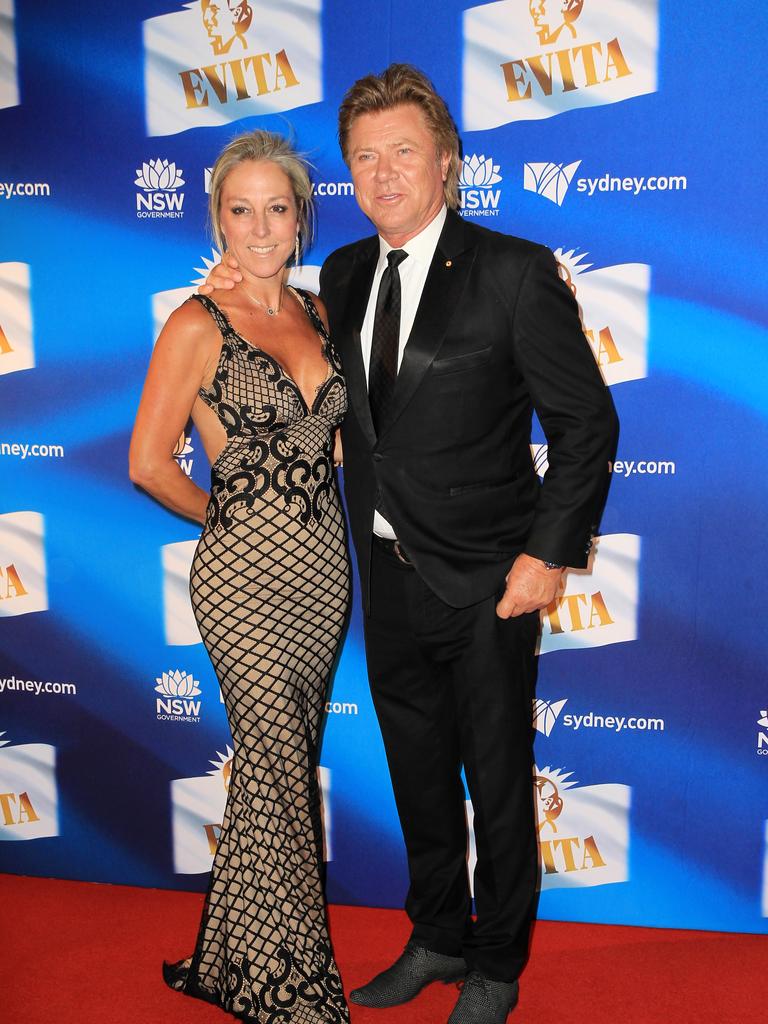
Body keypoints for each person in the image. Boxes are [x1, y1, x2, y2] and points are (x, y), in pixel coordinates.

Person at [204, 64, 618, 1024]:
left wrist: (545, 557)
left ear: (447, 162)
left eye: (403, 152)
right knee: (417, 775)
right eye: (363, 157)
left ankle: (496, 963)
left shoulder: (514, 271)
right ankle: (435, 936)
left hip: (488, 584)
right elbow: (283, 352)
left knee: (501, 785)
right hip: (384, 580)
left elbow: (587, 425)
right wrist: (228, 284)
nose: (383, 173)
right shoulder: (341, 275)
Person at [129, 129, 350, 1024]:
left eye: (277, 208)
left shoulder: (323, 313)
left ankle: (223, 957)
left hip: (323, 571)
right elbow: (149, 462)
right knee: (276, 767)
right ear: (216, 216)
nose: (259, 228)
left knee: (280, 765)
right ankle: (291, 990)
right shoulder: (195, 321)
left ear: (300, 218)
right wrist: (228, 517)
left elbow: (338, 442)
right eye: (238, 209)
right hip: (244, 581)